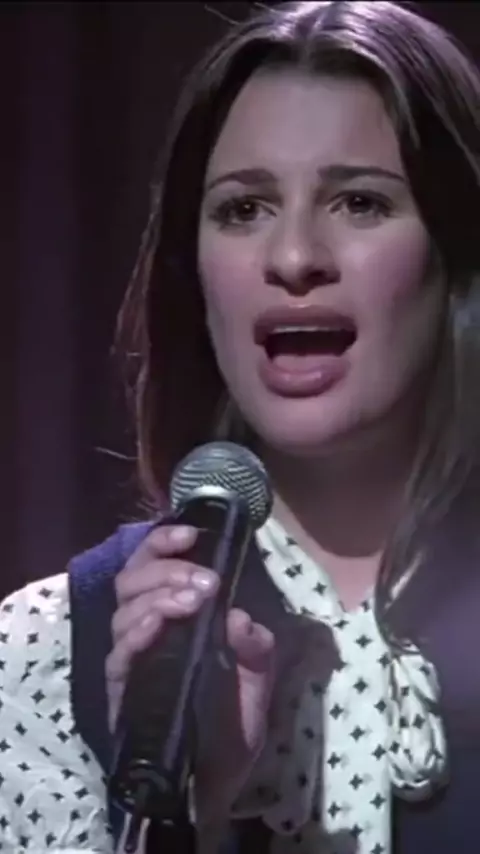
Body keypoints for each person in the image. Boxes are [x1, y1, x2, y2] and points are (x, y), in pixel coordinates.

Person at [1, 1, 480, 851]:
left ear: (457, 257)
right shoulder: (47, 652)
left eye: (360, 202)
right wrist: (194, 811)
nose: (293, 258)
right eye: (243, 209)